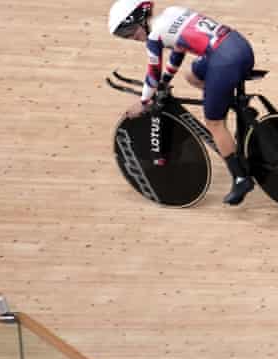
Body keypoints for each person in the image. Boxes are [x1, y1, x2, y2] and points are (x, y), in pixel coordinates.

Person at [108, 1, 257, 206]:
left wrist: (144, 102)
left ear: (140, 19)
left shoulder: (154, 36)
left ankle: (241, 178)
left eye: (129, 31)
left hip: (223, 61)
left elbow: (152, 74)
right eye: (124, 36)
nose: (131, 37)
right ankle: (237, 107)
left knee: (214, 123)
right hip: (237, 44)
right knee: (193, 76)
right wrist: (166, 82)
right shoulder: (172, 13)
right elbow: (179, 50)